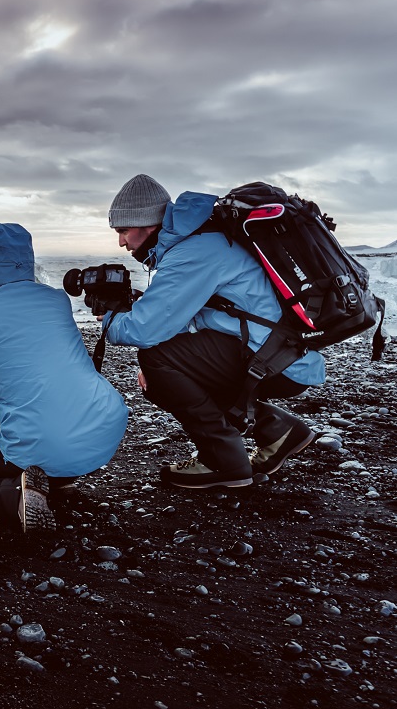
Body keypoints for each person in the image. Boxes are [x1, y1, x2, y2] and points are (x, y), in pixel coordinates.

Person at [103, 174, 324, 488]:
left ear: (148, 224)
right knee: (170, 366)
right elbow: (178, 319)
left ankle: (220, 461)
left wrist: (109, 318)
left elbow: (142, 330)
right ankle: (278, 431)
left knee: (157, 359)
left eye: (123, 231)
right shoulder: (202, 239)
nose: (121, 243)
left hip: (277, 361)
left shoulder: (193, 251)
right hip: (284, 353)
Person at [0, 222, 128, 533]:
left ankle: (15, 498)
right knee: (36, 422)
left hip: (46, 441)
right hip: (105, 428)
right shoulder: (55, 300)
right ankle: (57, 480)